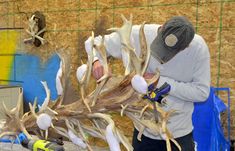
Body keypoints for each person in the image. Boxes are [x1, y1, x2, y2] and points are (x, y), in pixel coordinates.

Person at [85, 16, 210, 151]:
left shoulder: (198, 48)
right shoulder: (138, 35)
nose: (163, 57)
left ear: (185, 47)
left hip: (178, 134)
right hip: (143, 132)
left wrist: (160, 82)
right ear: (161, 28)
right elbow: (94, 42)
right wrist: (95, 61)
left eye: (170, 53)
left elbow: (202, 92)